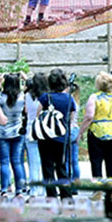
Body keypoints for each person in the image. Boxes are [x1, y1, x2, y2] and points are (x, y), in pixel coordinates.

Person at [36, 69, 76, 199]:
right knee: (62, 168)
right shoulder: (69, 99)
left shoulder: (45, 98)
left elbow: (38, 116)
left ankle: (51, 198)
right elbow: (71, 119)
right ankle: (66, 197)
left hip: (46, 138)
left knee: (47, 169)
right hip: (62, 138)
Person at [79, 72, 112, 181]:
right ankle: (111, 187)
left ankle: (98, 187)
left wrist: (81, 131)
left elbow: (89, 116)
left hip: (97, 132)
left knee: (96, 161)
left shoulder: (94, 97)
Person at [0, 74, 26, 196]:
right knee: (17, 162)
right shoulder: (22, 98)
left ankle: (4, 189)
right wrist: (25, 78)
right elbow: (31, 86)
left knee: (4, 162)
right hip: (17, 132)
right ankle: (19, 190)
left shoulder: (0, 98)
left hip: (2, 132)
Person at [24, 74, 47, 196]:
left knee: (33, 163)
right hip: (44, 131)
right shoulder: (46, 97)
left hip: (31, 130)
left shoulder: (28, 96)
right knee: (45, 162)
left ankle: (34, 190)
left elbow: (27, 111)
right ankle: (43, 190)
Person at [66, 84, 81, 183]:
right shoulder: (76, 101)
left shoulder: (69, 100)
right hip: (76, 129)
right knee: (75, 160)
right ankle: (76, 182)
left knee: (67, 160)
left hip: (68, 129)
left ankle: (67, 181)